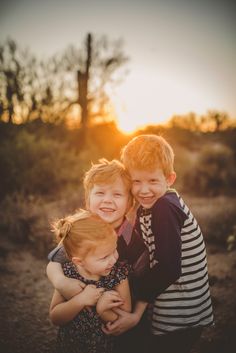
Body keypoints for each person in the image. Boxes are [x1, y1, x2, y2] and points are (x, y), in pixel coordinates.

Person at [105, 134, 214, 353]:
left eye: (153, 181)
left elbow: (168, 268)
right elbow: (140, 246)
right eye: (137, 181)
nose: (144, 190)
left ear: (169, 179)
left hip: (181, 315)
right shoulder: (152, 206)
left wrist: (136, 314)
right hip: (183, 311)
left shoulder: (164, 208)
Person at [47, 159, 149, 353]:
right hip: (80, 317)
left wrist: (135, 315)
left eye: (117, 194)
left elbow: (146, 274)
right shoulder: (84, 226)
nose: (108, 200)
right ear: (88, 199)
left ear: (129, 203)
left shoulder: (128, 233)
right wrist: (62, 283)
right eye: (100, 193)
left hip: (118, 310)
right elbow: (55, 261)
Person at [49, 209, 131, 353]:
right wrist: (80, 300)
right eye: (104, 257)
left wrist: (103, 310)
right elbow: (55, 317)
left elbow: (124, 316)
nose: (113, 259)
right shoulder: (69, 275)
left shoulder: (118, 275)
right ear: (79, 261)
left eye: (115, 249)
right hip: (71, 347)